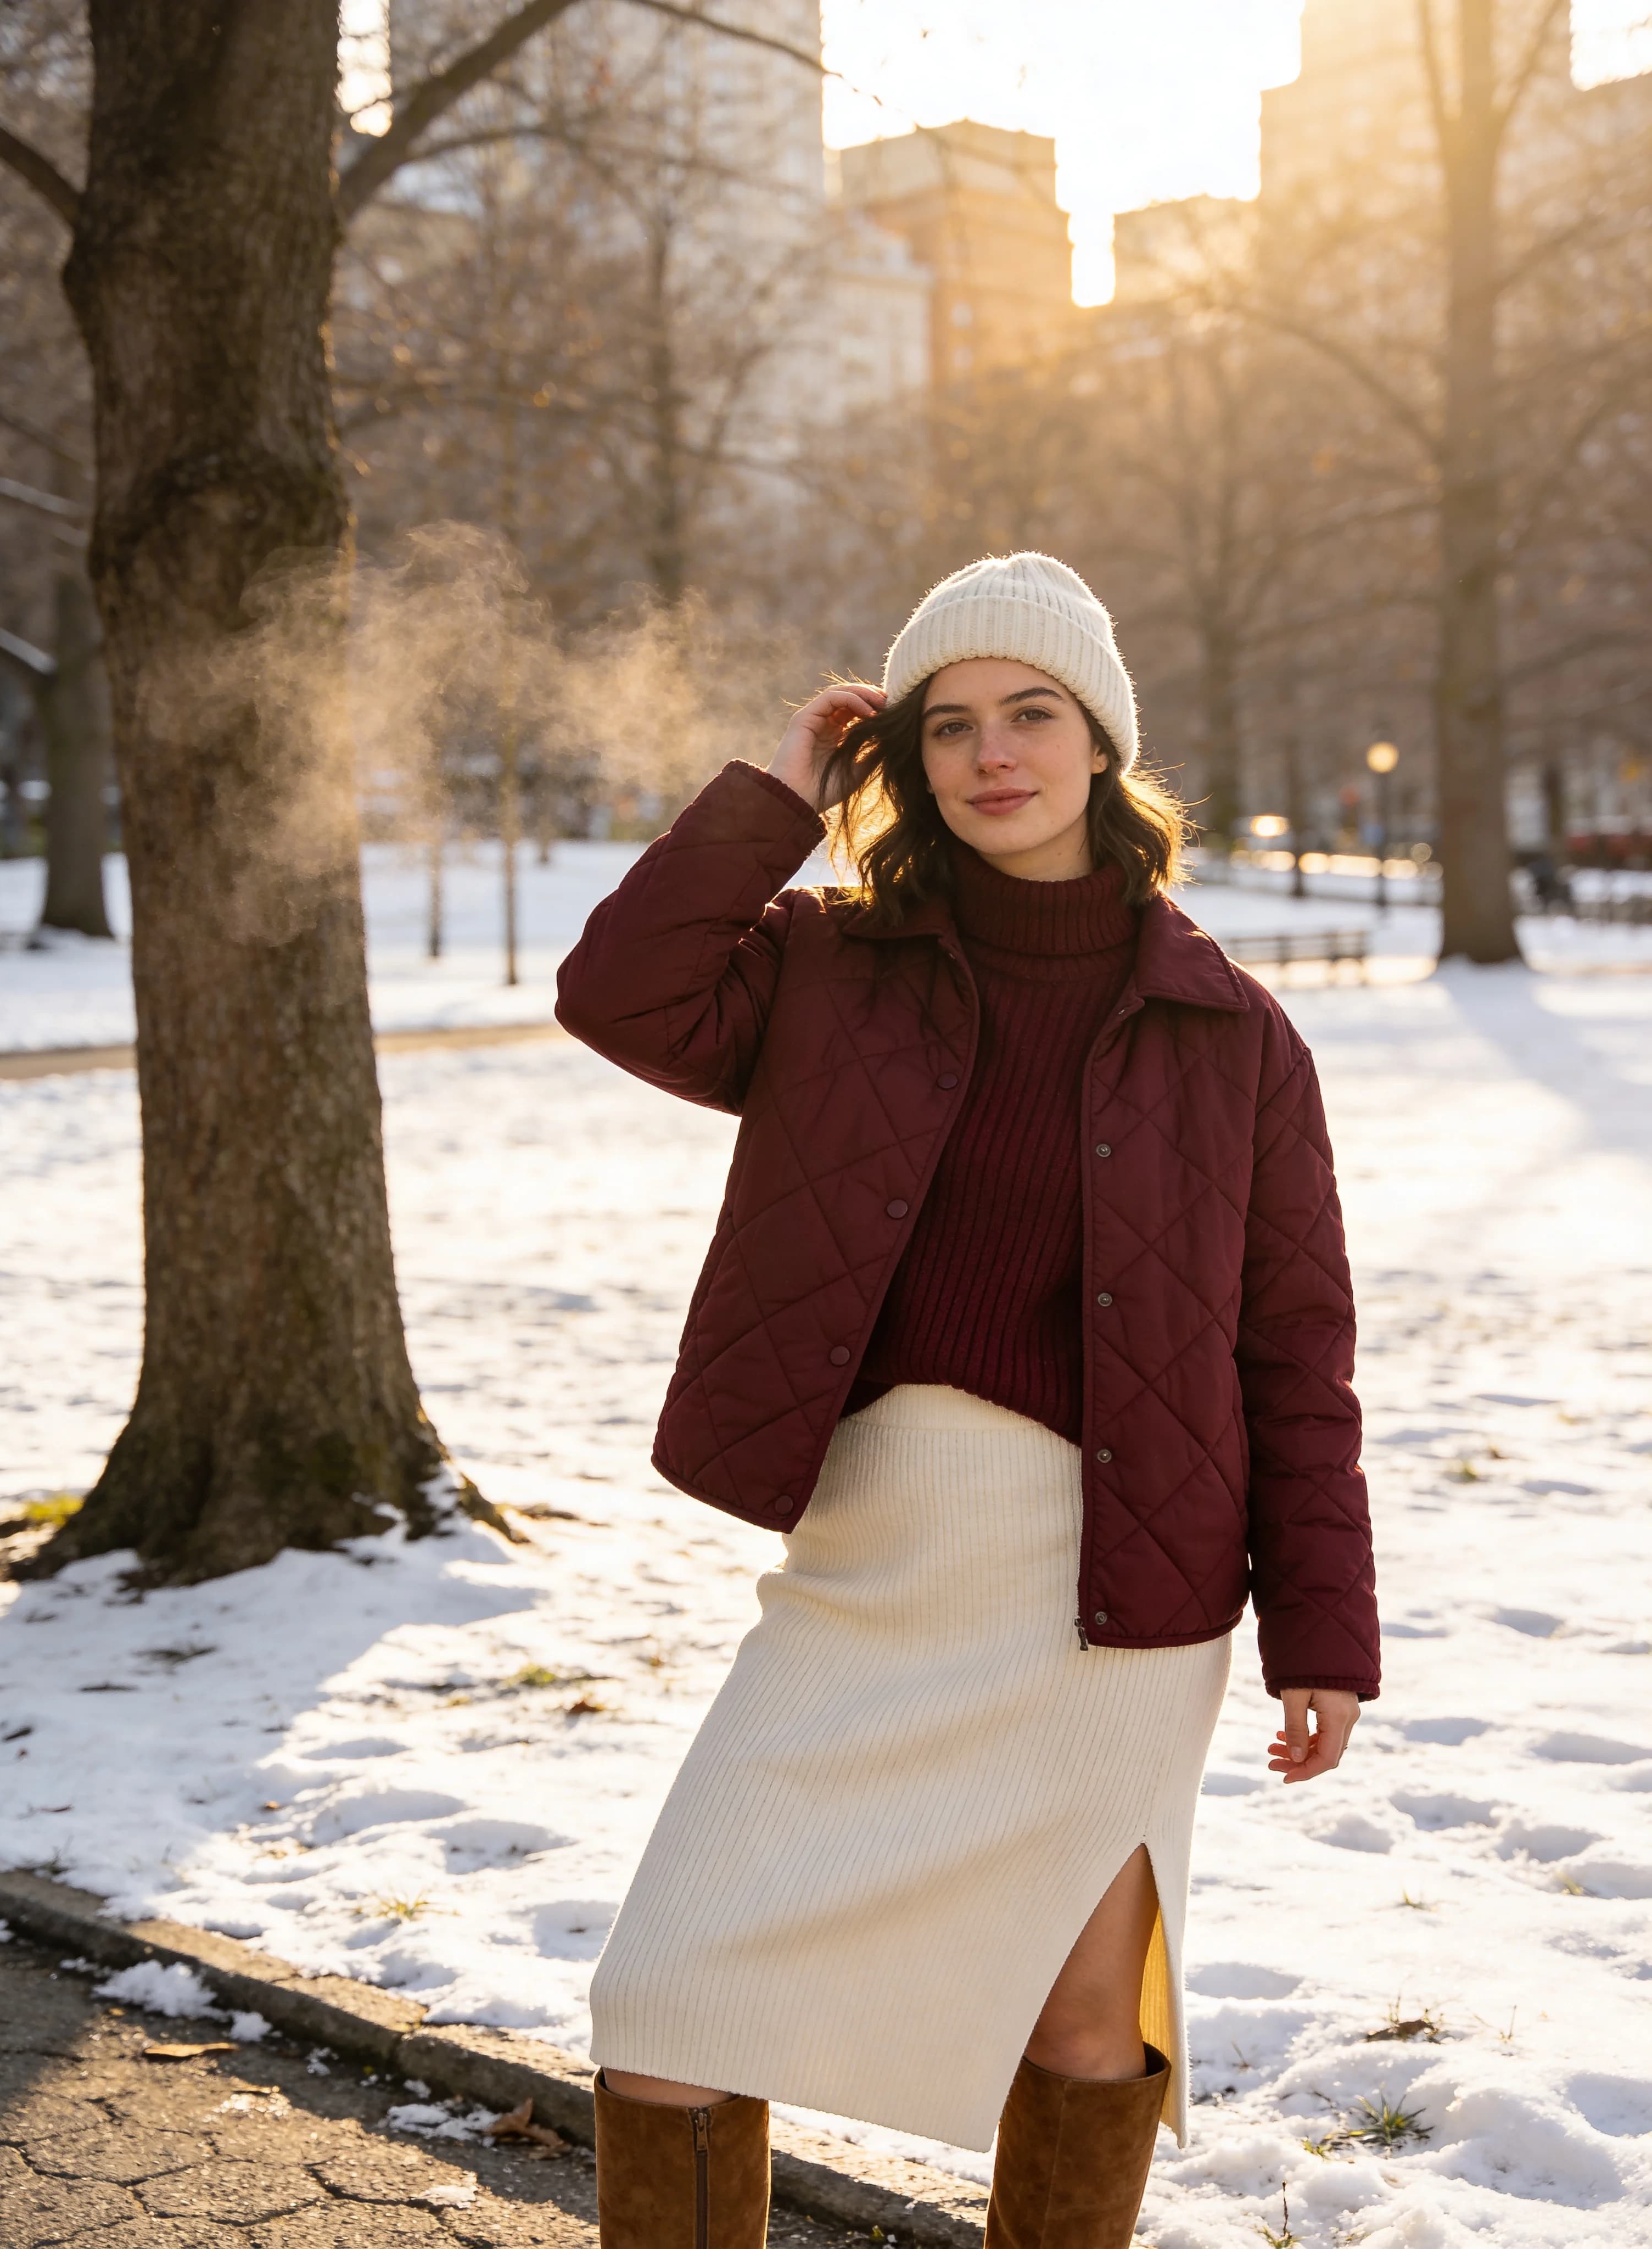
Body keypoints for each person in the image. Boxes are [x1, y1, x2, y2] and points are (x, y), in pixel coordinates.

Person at [556, 552, 1379, 2249]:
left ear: (1102, 744)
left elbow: (1296, 1357)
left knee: (1083, 2023)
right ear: (903, 761)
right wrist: (778, 795)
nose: (992, 756)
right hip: (870, 1565)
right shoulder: (828, 972)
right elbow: (617, 990)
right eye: (948, 726)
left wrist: (1324, 1633)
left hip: (1119, 1596)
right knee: (664, 2012)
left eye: (1032, 714)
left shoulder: (1235, 1036)